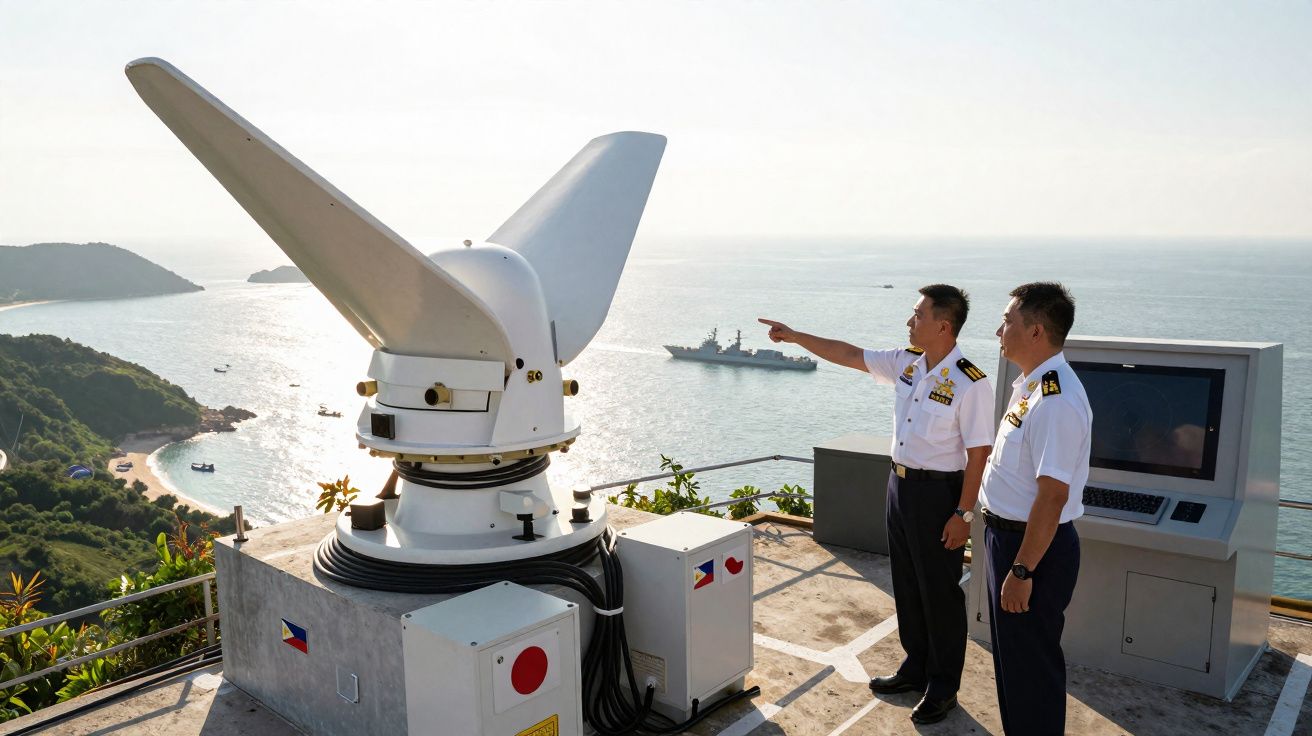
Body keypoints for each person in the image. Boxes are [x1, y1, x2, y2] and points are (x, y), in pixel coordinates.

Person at [759, 284, 994, 725]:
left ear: (943, 326)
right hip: (898, 486)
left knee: (939, 593)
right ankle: (915, 666)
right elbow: (850, 354)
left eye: (918, 315)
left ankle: (943, 686)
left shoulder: (971, 382)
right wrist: (795, 336)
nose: (910, 321)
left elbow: (979, 452)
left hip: (939, 494)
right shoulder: (907, 362)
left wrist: (963, 513)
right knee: (906, 582)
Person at [978, 282, 1091, 735]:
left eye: (1007, 321)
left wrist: (1022, 571)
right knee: (1013, 665)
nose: (999, 330)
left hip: (1030, 550)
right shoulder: (1031, 386)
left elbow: (1052, 497)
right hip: (1006, 538)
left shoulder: (1056, 401)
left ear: (1036, 331)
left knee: (1031, 671)